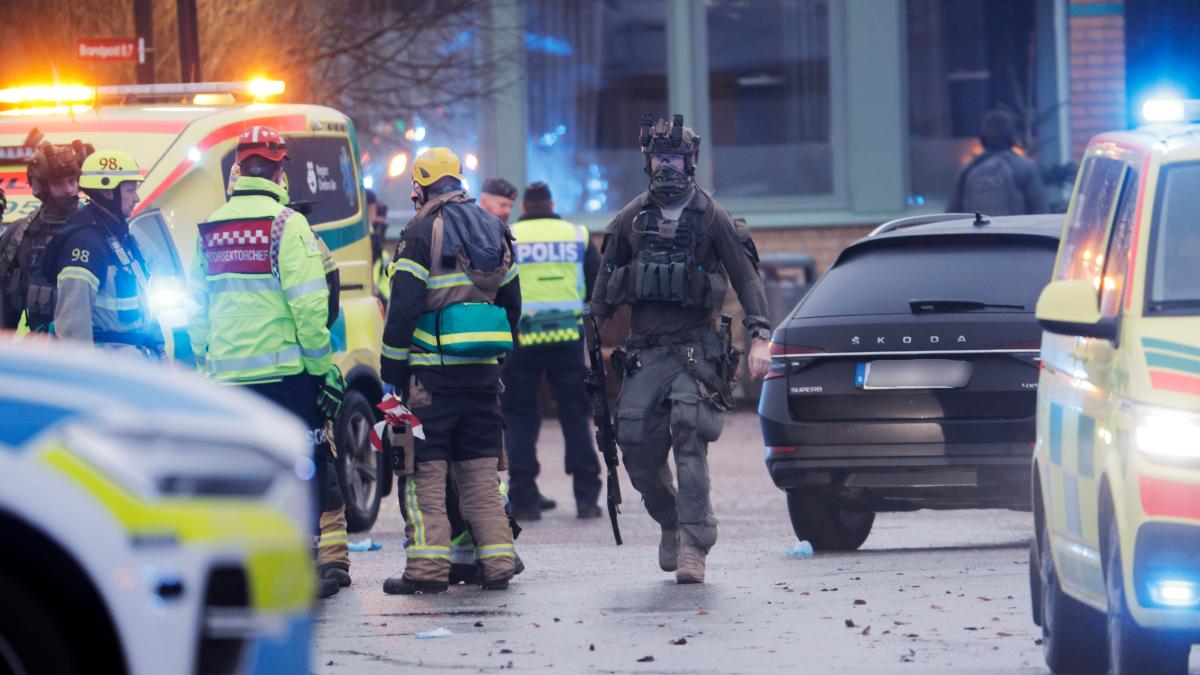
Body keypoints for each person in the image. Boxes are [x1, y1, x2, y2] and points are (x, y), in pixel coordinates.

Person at [589, 114, 771, 584]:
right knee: (636, 449)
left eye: (674, 158)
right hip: (645, 350)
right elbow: (605, 288)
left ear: (690, 162)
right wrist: (588, 337)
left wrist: (760, 337)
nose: (665, 168)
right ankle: (670, 521)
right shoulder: (631, 218)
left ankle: (694, 542)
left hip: (696, 350)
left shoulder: (713, 218)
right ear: (647, 163)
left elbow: (747, 279)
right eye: (658, 159)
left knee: (689, 438)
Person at [187, 126, 350, 600]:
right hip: (287, 378)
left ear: (237, 170)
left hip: (228, 379)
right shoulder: (287, 224)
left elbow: (197, 309)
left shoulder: (211, 228)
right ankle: (300, 564)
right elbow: (307, 306)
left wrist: (207, 361)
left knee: (243, 471)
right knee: (307, 464)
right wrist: (323, 370)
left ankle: (250, 564)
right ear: (280, 171)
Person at [380, 147, 520, 594]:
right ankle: (498, 565)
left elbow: (402, 308)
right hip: (481, 377)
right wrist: (494, 359)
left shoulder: (420, 231)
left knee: (424, 479)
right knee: (480, 476)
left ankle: (426, 572)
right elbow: (512, 304)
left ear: (420, 187)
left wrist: (392, 370)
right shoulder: (495, 227)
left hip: (429, 381)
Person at [502, 181, 603, 522]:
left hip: (521, 338)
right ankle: (587, 497)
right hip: (566, 336)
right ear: (552, 203)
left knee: (520, 417)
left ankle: (525, 499)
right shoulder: (576, 234)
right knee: (574, 415)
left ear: (525, 207)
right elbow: (597, 282)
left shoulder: (509, 234)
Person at [44, 149, 163, 357]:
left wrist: (161, 356)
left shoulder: (121, 237)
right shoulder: (84, 244)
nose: (136, 198)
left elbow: (145, 307)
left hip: (138, 364)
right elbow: (72, 329)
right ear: (108, 192)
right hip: (111, 372)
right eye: (130, 190)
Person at [0, 140, 93, 332]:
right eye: (58, 183)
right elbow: (4, 305)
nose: (68, 189)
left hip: (92, 349)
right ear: (41, 188)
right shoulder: (18, 235)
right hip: (42, 351)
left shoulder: (98, 229)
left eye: (72, 181)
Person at [946, 109, 1049, 216]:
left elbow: (952, 213)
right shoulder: (1025, 167)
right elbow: (1040, 210)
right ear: (1011, 137)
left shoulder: (967, 170)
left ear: (983, 139)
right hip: (1013, 231)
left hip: (977, 232)